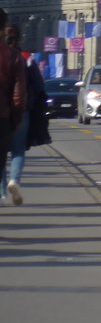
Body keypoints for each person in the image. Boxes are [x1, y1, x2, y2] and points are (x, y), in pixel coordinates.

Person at [0, 23, 49, 206]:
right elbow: (38, 85)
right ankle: (15, 180)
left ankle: (2, 192)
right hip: (22, 110)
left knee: (1, 152)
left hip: (3, 110)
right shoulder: (26, 58)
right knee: (18, 150)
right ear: (19, 38)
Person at [0, 10, 27, 207]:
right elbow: (19, 97)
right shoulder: (14, 57)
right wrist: (14, 119)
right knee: (13, 153)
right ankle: (10, 184)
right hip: (3, 117)